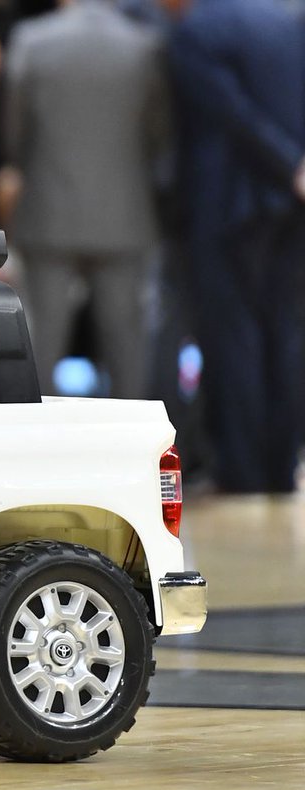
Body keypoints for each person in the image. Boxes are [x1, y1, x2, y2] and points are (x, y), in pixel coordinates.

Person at [157, 0, 305, 493]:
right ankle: (280, 467)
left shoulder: (196, 31)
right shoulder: (288, 24)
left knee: (232, 339)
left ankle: (242, 472)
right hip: (291, 207)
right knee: (286, 336)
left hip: (227, 206)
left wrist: (288, 164)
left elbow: (228, 110)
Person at [2, 0, 170, 400]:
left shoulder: (31, 41)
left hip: (49, 209)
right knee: (127, 348)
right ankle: (133, 435)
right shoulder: (144, 45)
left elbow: (14, 132)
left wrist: (27, 165)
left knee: (39, 345)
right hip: (124, 213)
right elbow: (158, 134)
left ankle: (36, 433)